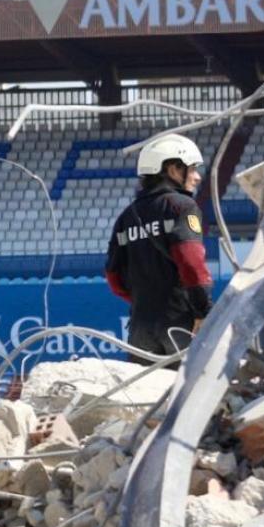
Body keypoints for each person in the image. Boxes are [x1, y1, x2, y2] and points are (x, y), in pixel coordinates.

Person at [104, 133, 214, 366]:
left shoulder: (126, 216)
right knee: (190, 396)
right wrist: (203, 311)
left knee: (146, 398)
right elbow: (191, 262)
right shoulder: (182, 206)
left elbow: (113, 278)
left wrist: (144, 299)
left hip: (139, 328)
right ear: (173, 169)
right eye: (192, 169)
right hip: (181, 324)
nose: (196, 177)